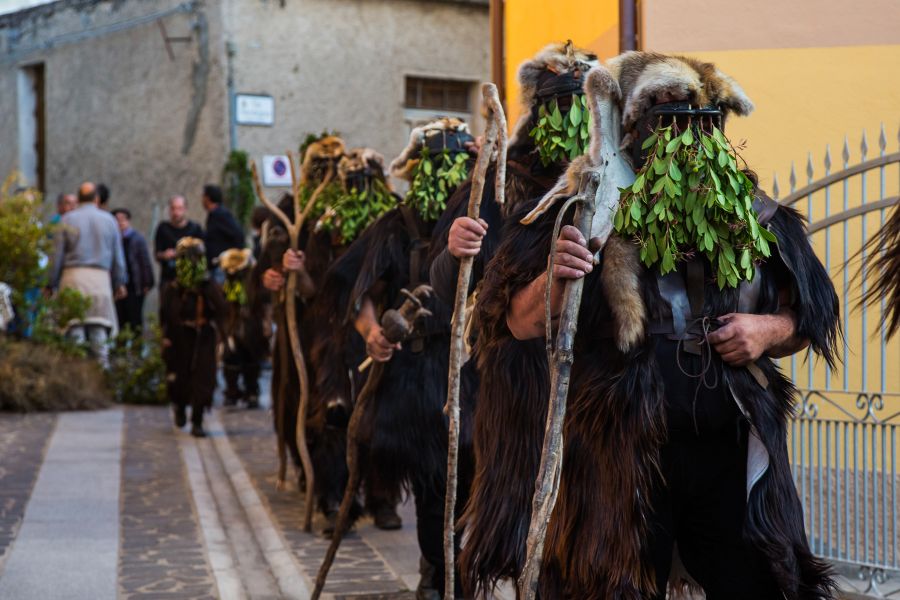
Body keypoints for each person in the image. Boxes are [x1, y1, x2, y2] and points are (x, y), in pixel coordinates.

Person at [480, 54, 839, 599]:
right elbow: (513, 321)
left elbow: (807, 319)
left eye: (694, 119)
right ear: (629, 126)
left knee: (761, 583)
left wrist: (766, 330)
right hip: (616, 457)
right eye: (661, 119)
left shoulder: (758, 218)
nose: (680, 138)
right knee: (608, 586)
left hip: (728, 448)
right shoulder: (578, 211)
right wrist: (554, 280)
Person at [425, 42, 600, 594]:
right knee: (537, 541)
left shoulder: (619, 180)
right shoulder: (498, 182)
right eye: (558, 103)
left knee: (600, 541)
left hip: (601, 390)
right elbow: (450, 290)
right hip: (520, 388)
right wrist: (455, 251)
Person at [321, 118, 476, 598]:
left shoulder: (487, 214)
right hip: (418, 374)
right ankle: (437, 568)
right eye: (438, 165)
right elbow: (352, 284)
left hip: (478, 371)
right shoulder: (397, 224)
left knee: (474, 479)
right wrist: (371, 333)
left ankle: (460, 563)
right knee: (433, 484)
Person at [48, 182, 128, 366]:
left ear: (78, 198)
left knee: (74, 332)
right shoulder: (109, 220)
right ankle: (102, 380)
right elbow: (118, 256)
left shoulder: (67, 219)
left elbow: (56, 255)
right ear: (97, 198)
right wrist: (120, 282)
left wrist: (50, 283)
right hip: (100, 281)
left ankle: (77, 381)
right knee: (99, 334)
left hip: (73, 279)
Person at [161, 237, 226, 437]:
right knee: (179, 376)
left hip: (204, 336)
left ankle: (197, 419)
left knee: (204, 377)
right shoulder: (172, 288)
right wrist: (166, 337)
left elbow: (222, 309)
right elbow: (165, 314)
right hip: (179, 336)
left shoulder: (209, 285)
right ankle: (180, 407)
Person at [219, 248, 267, 409]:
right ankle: (232, 391)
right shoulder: (228, 284)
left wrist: (266, 323)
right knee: (230, 357)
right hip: (232, 325)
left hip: (253, 325)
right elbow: (224, 306)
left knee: (252, 359)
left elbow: (264, 302)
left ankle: (251, 391)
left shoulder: (254, 282)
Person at [111, 208, 154, 333]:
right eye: (117, 220)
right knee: (119, 319)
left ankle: (136, 349)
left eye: (122, 220)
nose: (120, 223)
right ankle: (119, 348)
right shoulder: (113, 239)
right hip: (118, 285)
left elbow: (145, 261)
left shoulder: (136, 238)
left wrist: (147, 282)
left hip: (134, 286)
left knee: (135, 319)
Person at [154, 195, 204, 291]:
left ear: (185, 209)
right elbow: (157, 254)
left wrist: (185, 253)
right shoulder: (163, 228)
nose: (176, 212)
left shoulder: (195, 228)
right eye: (173, 208)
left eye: (179, 208)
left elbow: (202, 251)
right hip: (169, 278)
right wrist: (164, 255)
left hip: (191, 278)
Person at [202, 184, 244, 283]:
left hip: (221, 268)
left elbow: (238, 235)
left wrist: (232, 259)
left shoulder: (220, 214)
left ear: (207, 198)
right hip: (215, 266)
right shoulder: (214, 214)